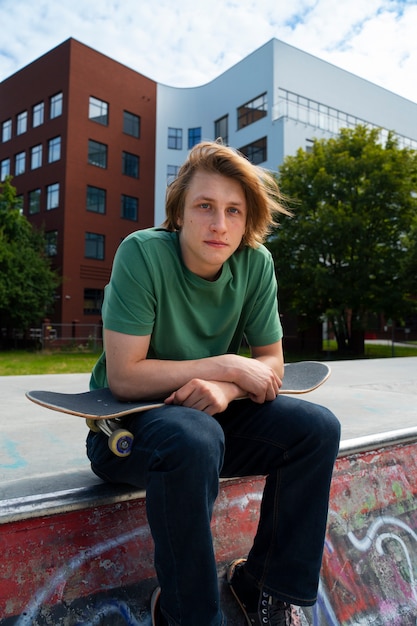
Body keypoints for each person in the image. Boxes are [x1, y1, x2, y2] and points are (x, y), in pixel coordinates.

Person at [86, 141, 341, 626]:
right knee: (194, 436)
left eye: (233, 211)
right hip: (128, 433)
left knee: (317, 430)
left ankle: (264, 590)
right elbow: (125, 376)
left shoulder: (255, 263)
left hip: (212, 418)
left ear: (247, 221)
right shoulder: (142, 254)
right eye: (205, 207)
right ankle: (187, 614)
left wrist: (226, 389)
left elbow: (272, 363)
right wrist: (225, 364)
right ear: (179, 213)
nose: (219, 224)